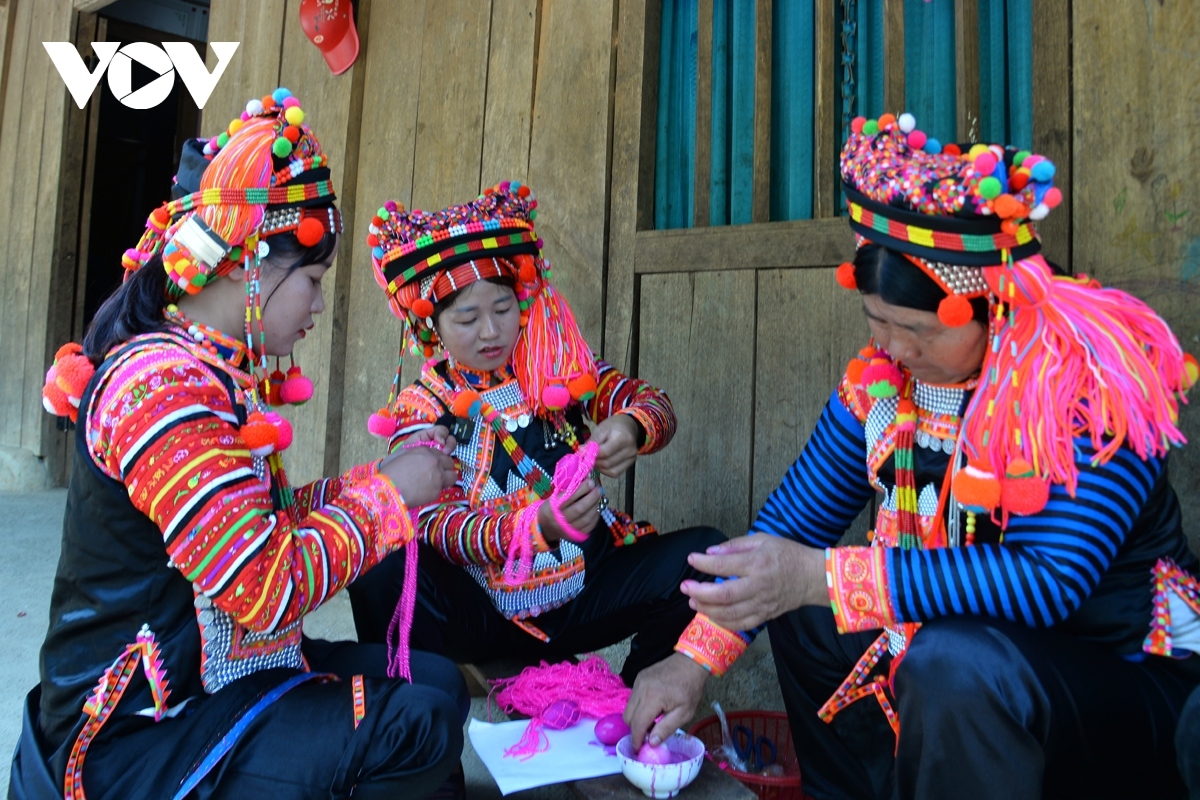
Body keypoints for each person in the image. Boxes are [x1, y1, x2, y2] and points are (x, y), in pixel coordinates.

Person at [679, 113, 1200, 798]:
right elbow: (789, 532)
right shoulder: (885, 386)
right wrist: (690, 664)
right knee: (803, 613)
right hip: (956, 654)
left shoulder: (1085, 387)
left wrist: (824, 578)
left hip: (1118, 682)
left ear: (993, 308)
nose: (894, 348)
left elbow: (1049, 581)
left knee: (945, 659)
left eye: (919, 330)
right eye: (877, 320)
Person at [10, 88, 467, 800]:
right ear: (247, 265)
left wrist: (374, 480)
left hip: (220, 671)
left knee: (434, 679)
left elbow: (259, 525)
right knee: (418, 724)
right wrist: (388, 497)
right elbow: (265, 586)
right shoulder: (160, 387)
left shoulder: (209, 365)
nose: (318, 305)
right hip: (138, 733)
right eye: (311, 280)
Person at [347, 182, 738, 745]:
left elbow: (652, 404)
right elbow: (438, 525)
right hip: (484, 607)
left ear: (522, 302)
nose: (489, 331)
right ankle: (418, 749)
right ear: (432, 325)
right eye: (467, 318)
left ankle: (629, 713)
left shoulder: (558, 367)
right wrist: (536, 526)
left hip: (586, 588)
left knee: (707, 559)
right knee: (382, 559)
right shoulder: (423, 405)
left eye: (503, 309)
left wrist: (631, 426)